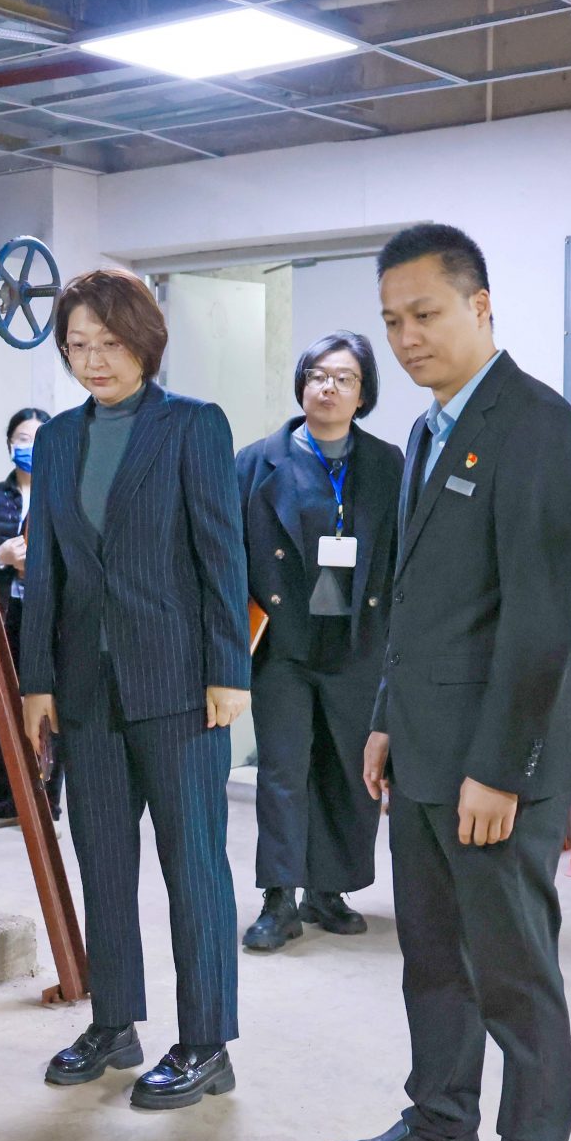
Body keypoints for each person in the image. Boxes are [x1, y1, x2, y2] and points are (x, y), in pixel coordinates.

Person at [318, 222, 571, 1141]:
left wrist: (499, 769)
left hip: (494, 767)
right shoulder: (432, 430)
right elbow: (419, 602)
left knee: (513, 974)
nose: (406, 337)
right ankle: (440, 1122)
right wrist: (388, 716)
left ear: (481, 306)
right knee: (433, 956)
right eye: (393, 320)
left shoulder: (538, 428)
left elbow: (538, 619)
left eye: (425, 314)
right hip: (426, 751)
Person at [20, 269, 251, 1109]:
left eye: (110, 343)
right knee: (105, 864)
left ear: (145, 342)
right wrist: (37, 681)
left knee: (195, 870)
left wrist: (230, 670)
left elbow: (222, 553)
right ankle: (113, 1024)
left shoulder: (192, 426)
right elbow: (45, 568)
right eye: (78, 345)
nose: (94, 360)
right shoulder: (56, 441)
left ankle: (206, 1043)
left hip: (182, 686)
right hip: (87, 688)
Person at [235, 330, 401, 949]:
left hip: (357, 640)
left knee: (348, 769)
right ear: (302, 384)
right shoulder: (257, 462)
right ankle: (279, 897)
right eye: (318, 375)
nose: (329, 387)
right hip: (284, 643)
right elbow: (229, 559)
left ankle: (328, 890)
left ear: (364, 393)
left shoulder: (387, 465)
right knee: (283, 770)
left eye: (345, 378)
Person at [0, 406, 58, 832]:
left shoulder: (62, 492)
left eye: (37, 439)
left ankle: (46, 806)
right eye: (22, 438)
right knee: (1, 708)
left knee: (49, 711)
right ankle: (2, 803)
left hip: (51, 618)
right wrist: (1, 556)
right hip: (4, 614)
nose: (29, 447)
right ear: (9, 443)